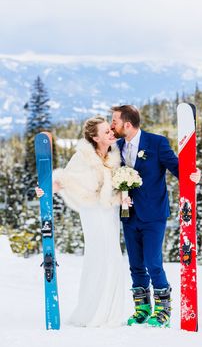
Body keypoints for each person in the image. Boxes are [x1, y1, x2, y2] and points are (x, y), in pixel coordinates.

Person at [110, 105, 201, 327]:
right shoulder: (117, 146)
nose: (112, 125)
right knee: (136, 264)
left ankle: (163, 310)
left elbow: (177, 168)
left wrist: (193, 175)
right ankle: (142, 308)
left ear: (127, 124)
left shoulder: (157, 143)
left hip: (153, 214)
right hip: (128, 214)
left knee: (153, 262)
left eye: (114, 121)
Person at [36, 116, 125, 327]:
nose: (112, 133)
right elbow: (64, 180)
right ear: (95, 137)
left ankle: (110, 312)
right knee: (99, 255)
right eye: (106, 132)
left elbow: (117, 183)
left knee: (113, 256)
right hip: (93, 212)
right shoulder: (82, 157)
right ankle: (92, 312)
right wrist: (46, 189)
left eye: (110, 130)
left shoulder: (114, 155)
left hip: (110, 211)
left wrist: (123, 193)